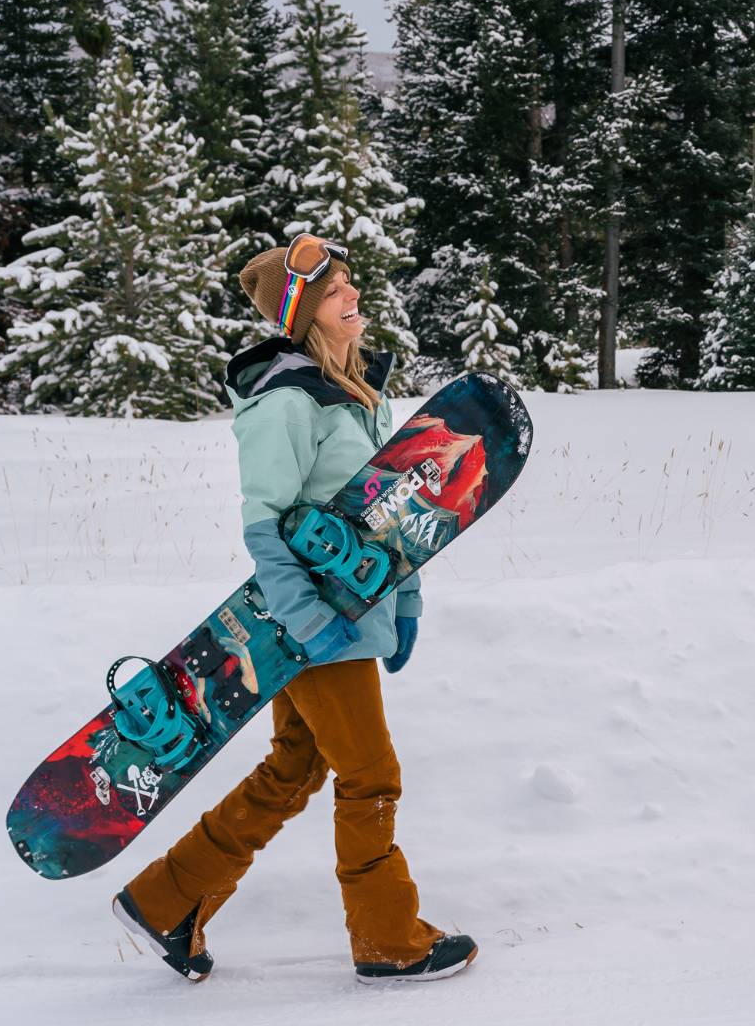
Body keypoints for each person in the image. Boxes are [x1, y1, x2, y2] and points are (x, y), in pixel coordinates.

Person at [109, 234, 476, 984]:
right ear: (304, 312)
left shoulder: (359, 394)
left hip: (351, 618)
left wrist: (406, 599)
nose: (353, 297)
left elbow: (390, 511)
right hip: (313, 626)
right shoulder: (284, 401)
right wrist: (306, 621)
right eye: (337, 289)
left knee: (293, 769)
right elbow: (264, 523)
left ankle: (166, 901)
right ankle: (388, 937)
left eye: (350, 285)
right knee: (371, 777)